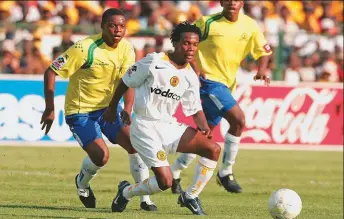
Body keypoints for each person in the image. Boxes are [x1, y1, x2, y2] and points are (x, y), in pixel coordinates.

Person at [40, 8, 157, 211]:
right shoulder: (85, 48)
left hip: (109, 109)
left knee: (135, 144)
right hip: (80, 111)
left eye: (122, 26)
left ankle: (145, 199)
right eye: (112, 25)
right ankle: (82, 183)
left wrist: (127, 107)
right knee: (101, 157)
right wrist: (50, 107)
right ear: (102, 26)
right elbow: (51, 71)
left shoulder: (128, 49)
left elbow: (128, 81)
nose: (117, 30)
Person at [104, 21, 221, 215]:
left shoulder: (191, 76)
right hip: (144, 125)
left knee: (213, 149)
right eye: (186, 43)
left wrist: (203, 127)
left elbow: (194, 109)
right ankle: (125, 193)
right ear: (175, 42)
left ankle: (190, 195)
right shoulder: (154, 61)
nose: (191, 48)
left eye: (194, 44)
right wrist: (115, 107)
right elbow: (126, 80)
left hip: (168, 125)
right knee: (165, 182)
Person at [170, 0, 272, 194]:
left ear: (241, 2)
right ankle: (225, 172)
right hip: (208, 83)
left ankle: (175, 171)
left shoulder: (249, 25)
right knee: (238, 120)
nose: (232, 2)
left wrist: (262, 69)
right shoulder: (207, 23)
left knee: (204, 135)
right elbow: (185, 44)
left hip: (226, 85)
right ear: (222, 2)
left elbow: (264, 51)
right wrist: (196, 71)